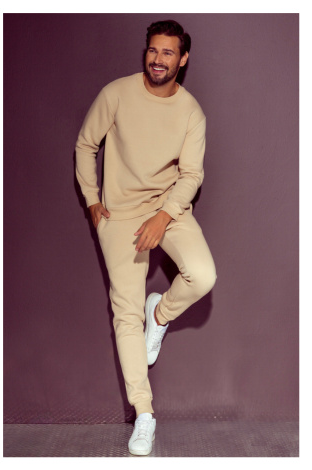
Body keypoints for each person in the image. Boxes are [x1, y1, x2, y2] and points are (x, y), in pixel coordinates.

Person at [75, 19, 217, 456]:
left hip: (168, 208)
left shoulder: (191, 112)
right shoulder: (116, 93)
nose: (158, 59)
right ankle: (144, 414)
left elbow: (191, 174)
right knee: (125, 313)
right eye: (153, 50)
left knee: (202, 275)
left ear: (183, 59)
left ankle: (161, 314)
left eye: (168, 52)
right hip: (119, 215)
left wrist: (164, 216)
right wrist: (92, 199)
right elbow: (86, 144)